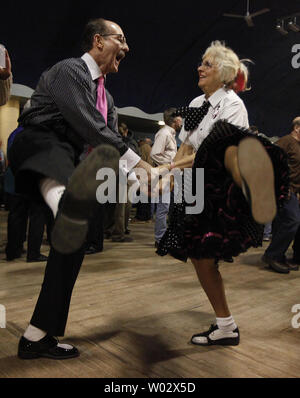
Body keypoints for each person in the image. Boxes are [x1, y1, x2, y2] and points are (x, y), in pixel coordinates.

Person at [8, 18, 156, 360]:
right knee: (66, 187)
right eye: (121, 38)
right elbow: (90, 127)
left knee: (71, 243)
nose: (128, 47)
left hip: (65, 159)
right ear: (98, 42)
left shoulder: (108, 96)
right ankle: (64, 204)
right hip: (37, 145)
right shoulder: (71, 70)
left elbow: (108, 143)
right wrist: (141, 164)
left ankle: (36, 335)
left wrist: (141, 182)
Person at [156, 41, 289, 346]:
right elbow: (187, 146)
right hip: (195, 187)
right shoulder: (195, 103)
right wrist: (174, 174)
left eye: (207, 64)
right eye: (201, 63)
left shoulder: (232, 104)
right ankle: (226, 325)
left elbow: (215, 152)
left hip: (218, 190)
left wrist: (165, 170)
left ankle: (226, 325)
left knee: (204, 255)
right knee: (198, 256)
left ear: (225, 73)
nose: (199, 68)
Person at [262, 117, 300, 273]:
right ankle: (272, 255)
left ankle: (280, 256)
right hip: (283, 188)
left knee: (284, 222)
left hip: (295, 190)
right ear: (297, 127)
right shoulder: (285, 142)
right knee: (293, 221)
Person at [150, 108, 182, 247]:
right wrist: (170, 165)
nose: (182, 120)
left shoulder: (170, 134)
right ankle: (160, 239)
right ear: (175, 120)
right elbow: (154, 154)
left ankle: (167, 236)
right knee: (164, 207)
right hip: (166, 175)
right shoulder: (164, 133)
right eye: (180, 117)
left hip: (171, 175)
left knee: (171, 207)